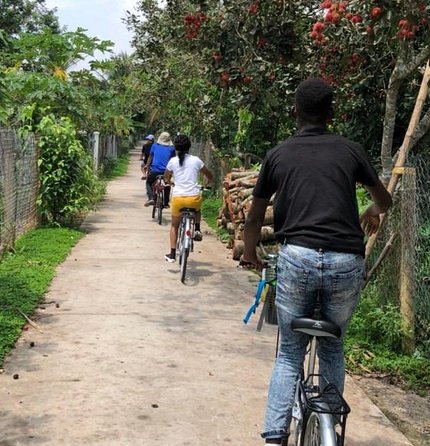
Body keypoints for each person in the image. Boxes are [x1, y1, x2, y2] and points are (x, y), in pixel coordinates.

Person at [241, 77, 393, 444]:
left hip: (298, 258)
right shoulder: (351, 150)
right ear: (332, 113)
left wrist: (249, 252)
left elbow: (254, 216)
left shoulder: (277, 155)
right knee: (333, 343)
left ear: (295, 112)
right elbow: (385, 201)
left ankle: (275, 436)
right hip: (346, 260)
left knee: (290, 353)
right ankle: (331, 425)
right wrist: (371, 210)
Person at [163, 134, 214, 262]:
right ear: (189, 147)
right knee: (197, 209)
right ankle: (197, 228)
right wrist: (207, 183)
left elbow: (166, 177)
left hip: (178, 199)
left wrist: (170, 182)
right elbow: (209, 175)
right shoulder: (196, 160)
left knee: (175, 225)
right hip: (194, 198)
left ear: (175, 147)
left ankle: (173, 254)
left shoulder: (172, 161)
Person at [144, 132, 175, 207]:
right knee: (167, 184)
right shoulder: (172, 148)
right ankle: (166, 202)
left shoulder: (154, 146)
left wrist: (147, 166)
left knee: (148, 182)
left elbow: (150, 157)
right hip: (166, 171)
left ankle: (151, 198)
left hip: (155, 170)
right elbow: (173, 160)